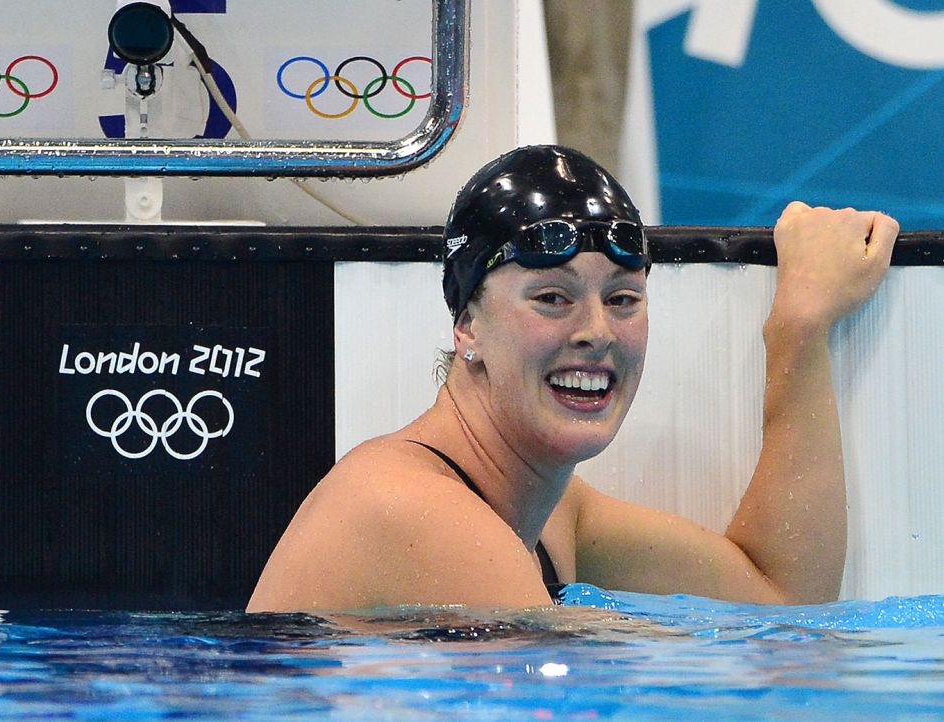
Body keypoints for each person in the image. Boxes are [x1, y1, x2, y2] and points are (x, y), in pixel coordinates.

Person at [247, 145, 898, 612]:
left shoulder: (554, 512)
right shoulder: (409, 510)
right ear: (467, 324)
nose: (598, 331)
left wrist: (801, 330)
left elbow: (782, 601)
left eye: (622, 299)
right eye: (552, 299)